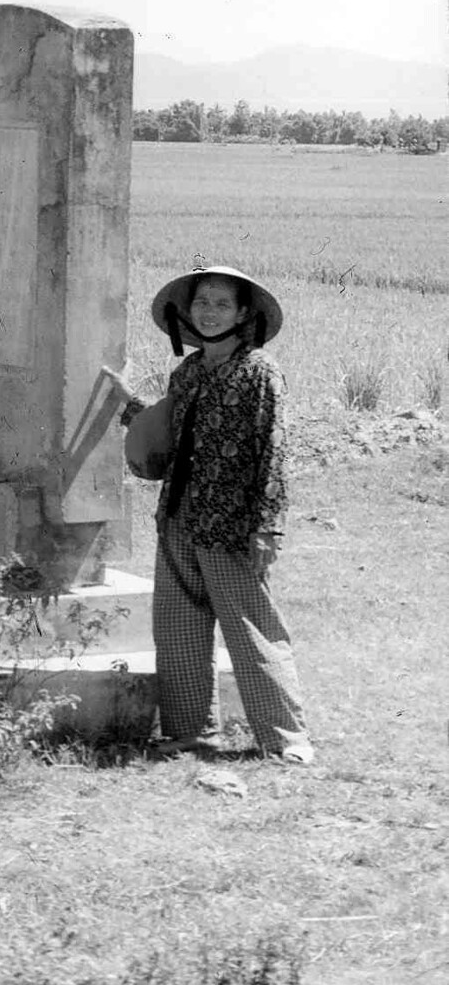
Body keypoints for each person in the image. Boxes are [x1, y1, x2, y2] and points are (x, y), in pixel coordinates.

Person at [105, 263, 314, 764]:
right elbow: (169, 436)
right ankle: (190, 733)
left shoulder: (259, 372)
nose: (211, 313)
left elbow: (274, 450)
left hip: (231, 529)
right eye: (202, 303)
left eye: (222, 304)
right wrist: (127, 402)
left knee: (252, 629)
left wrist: (268, 526)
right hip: (177, 519)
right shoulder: (191, 370)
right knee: (178, 632)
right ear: (187, 312)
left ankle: (286, 740)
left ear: (243, 314)